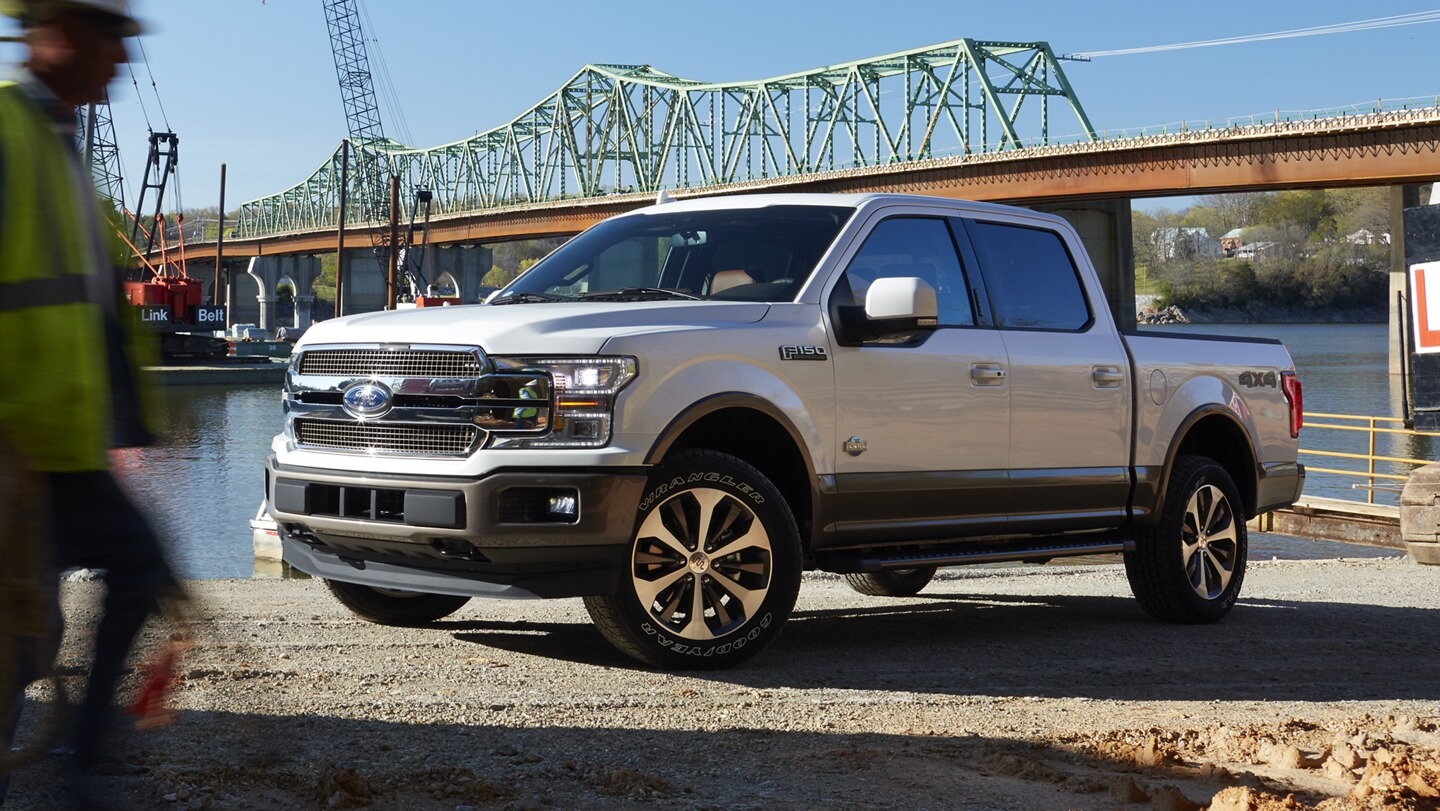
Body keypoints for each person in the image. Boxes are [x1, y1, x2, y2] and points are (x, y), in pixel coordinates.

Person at [0, 0, 179, 806]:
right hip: (18, 446)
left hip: (62, 444)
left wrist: (135, 422)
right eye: (114, 38)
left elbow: (97, 308)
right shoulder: (9, 138)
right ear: (60, 33)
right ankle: (78, 765)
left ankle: (82, 758)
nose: (124, 59)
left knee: (132, 570)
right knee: (13, 639)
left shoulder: (61, 148)